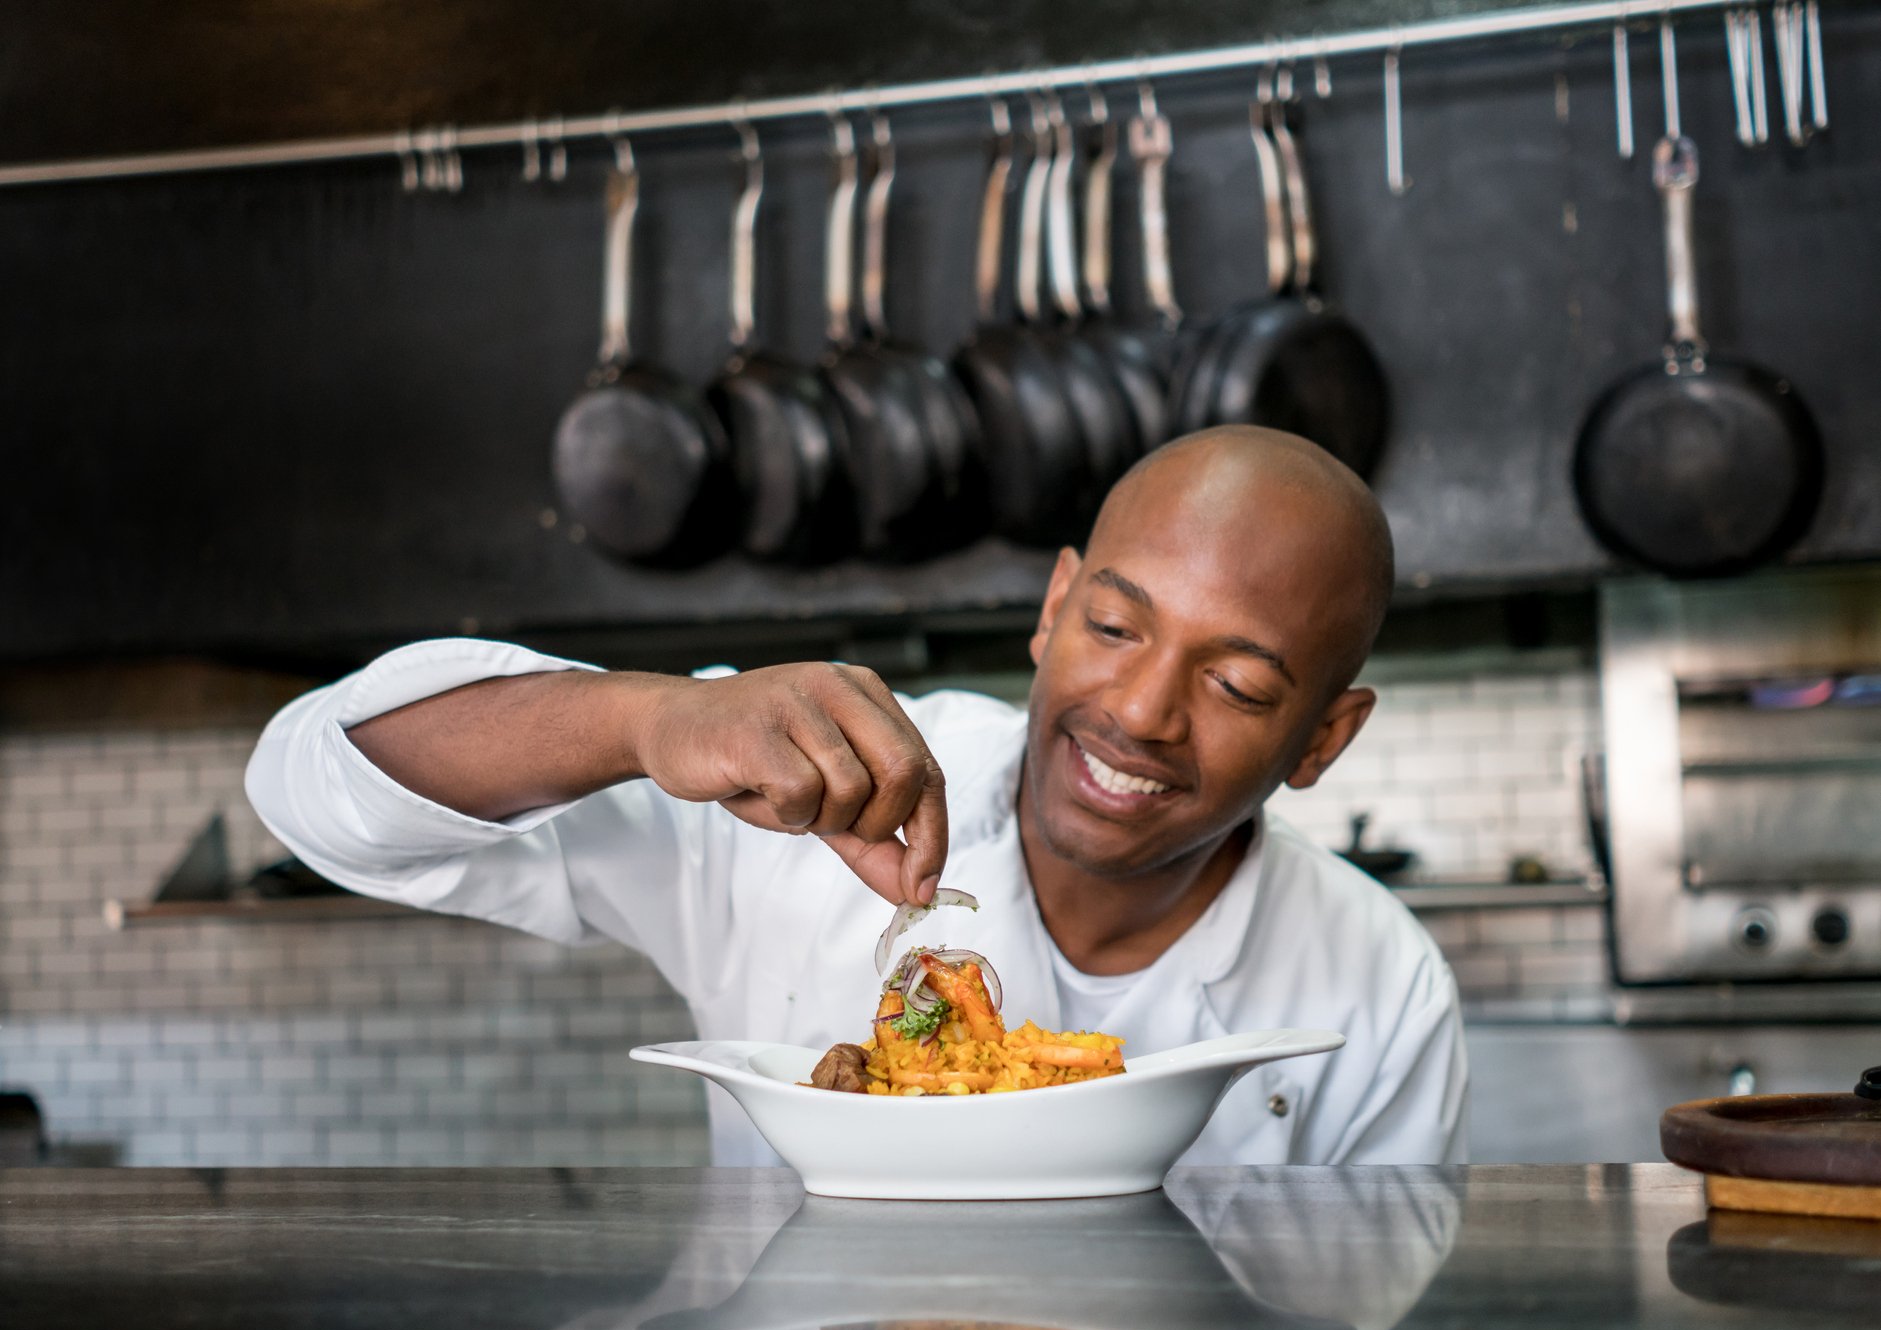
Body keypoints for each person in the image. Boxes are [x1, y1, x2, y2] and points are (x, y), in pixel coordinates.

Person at [246, 426, 1466, 1166]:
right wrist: (647, 716)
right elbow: (315, 784)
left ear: (1323, 739)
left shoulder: (1379, 983)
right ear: (1052, 609)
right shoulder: (799, 792)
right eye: (1111, 626)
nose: (1143, 710)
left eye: (1241, 684)